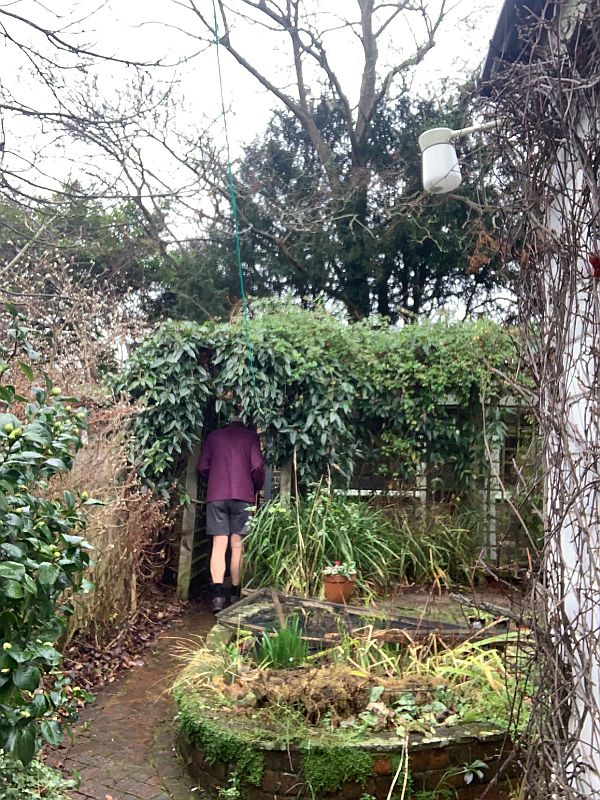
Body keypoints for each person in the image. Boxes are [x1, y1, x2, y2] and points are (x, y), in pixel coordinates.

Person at [197, 410, 264, 612]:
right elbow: (258, 466)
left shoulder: (214, 436)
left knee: (219, 545)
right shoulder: (251, 437)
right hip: (243, 496)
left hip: (217, 495)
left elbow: (202, 466)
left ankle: (217, 597)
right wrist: (256, 486)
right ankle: (235, 594)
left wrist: (215, 480)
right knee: (237, 546)